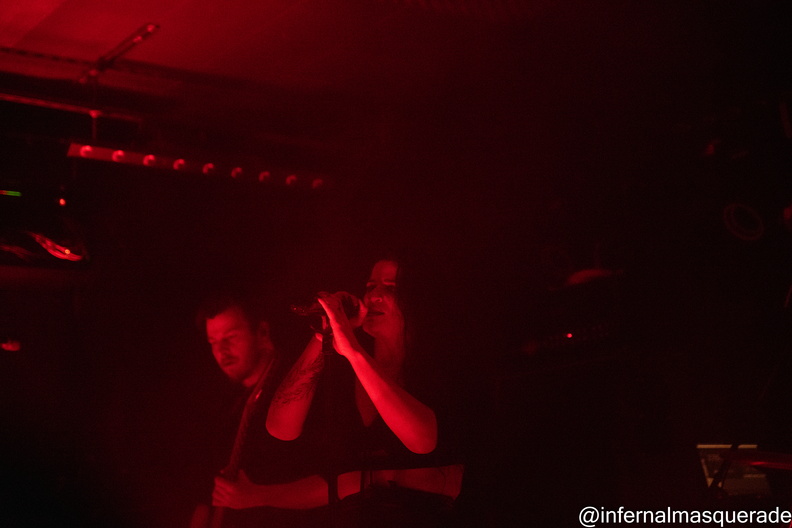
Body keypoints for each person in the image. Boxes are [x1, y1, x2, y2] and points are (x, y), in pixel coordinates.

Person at [266, 258, 465, 526]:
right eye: (370, 286)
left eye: (391, 287)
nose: (373, 296)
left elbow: (423, 441)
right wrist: (323, 335)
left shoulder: (444, 365)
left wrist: (352, 349)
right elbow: (280, 427)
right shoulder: (346, 362)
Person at [188, 292, 329, 528]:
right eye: (213, 342)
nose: (222, 350)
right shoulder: (226, 408)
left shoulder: (297, 391)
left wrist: (258, 496)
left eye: (231, 337)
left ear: (262, 332)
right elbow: (205, 496)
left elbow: (334, 481)